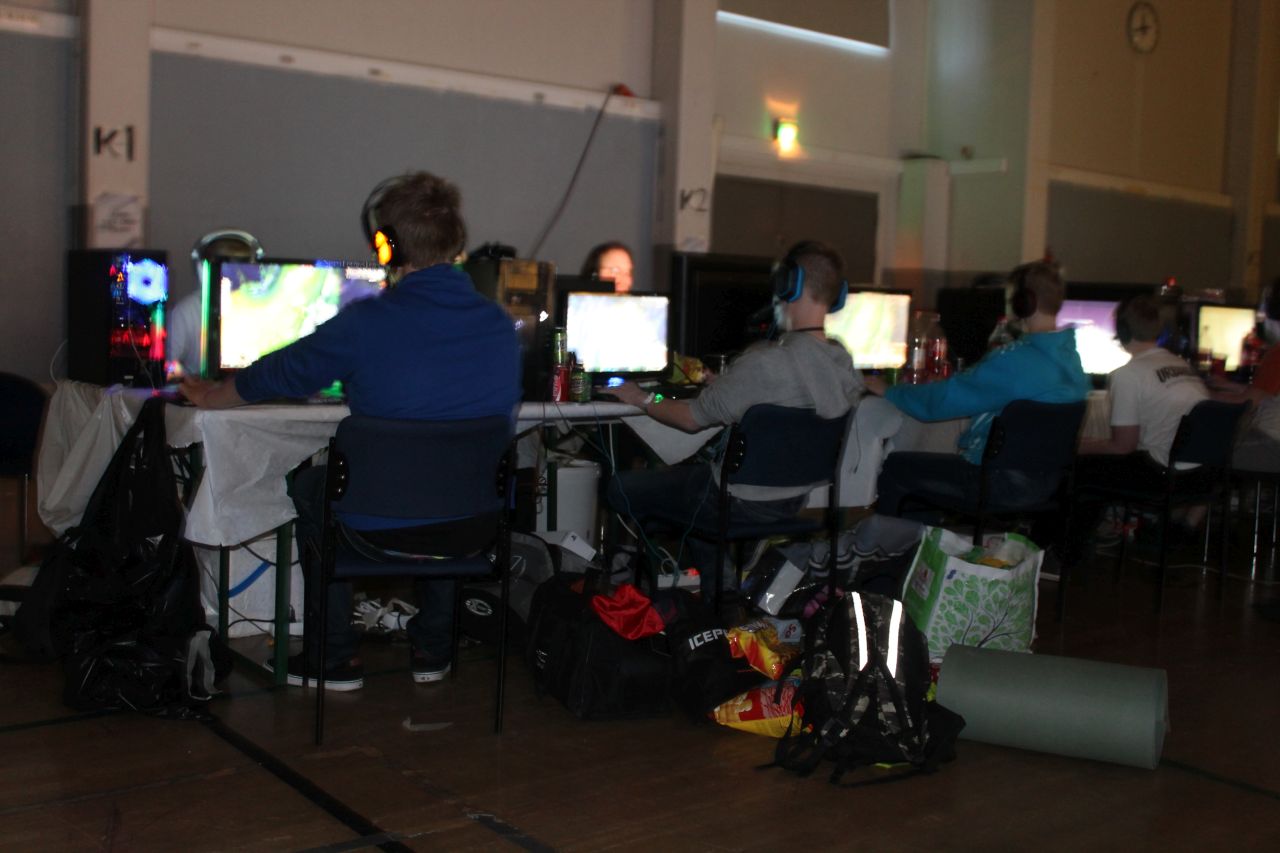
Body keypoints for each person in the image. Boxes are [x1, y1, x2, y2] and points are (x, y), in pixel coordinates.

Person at [181, 171, 522, 691]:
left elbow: (281, 373)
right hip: (473, 523)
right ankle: (434, 647)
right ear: (457, 241)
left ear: (385, 245)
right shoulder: (499, 325)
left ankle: (333, 655)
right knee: (450, 486)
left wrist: (211, 396)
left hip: (375, 525)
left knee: (313, 486)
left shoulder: (366, 323)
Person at [604, 240, 863, 597]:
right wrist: (727, 387)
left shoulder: (765, 362)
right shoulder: (844, 364)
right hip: (793, 501)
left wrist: (644, 398)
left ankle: (624, 587)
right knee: (697, 490)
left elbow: (691, 419)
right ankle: (722, 594)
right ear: (837, 295)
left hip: (734, 502)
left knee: (622, 486)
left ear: (789, 285)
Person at [863, 260, 1090, 518]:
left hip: (998, 483)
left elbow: (940, 403)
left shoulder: (1016, 360)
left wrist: (890, 391)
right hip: (1048, 485)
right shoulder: (1072, 362)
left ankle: (892, 540)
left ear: (1023, 302)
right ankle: (920, 538)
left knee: (897, 466)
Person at [1069, 294, 1210, 550]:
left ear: (1121, 330)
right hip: (1201, 477)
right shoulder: (1182, 365)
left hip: (1163, 476)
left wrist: (1076, 445)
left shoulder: (1128, 374)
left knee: (1081, 468)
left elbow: (1123, 446)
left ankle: (1067, 551)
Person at [167, 229, 264, 378]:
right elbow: (168, 364)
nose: (235, 274)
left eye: (241, 266)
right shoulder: (186, 311)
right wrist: (190, 381)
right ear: (202, 269)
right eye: (224, 267)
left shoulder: (263, 306)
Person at [1210, 278, 1280, 474]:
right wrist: (1228, 386)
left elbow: (1247, 402)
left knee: (1206, 449)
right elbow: (1268, 393)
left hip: (1273, 445)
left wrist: (1200, 393)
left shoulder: (1277, 354)